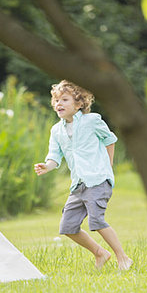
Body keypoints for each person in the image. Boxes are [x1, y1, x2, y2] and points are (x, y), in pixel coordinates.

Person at [34, 80, 133, 271]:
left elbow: (110, 139)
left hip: (97, 180)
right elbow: (55, 155)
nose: (58, 104)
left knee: (96, 221)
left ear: (79, 104)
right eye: (56, 100)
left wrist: (108, 167)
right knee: (68, 226)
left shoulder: (92, 120)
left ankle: (123, 258)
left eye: (64, 99)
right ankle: (100, 253)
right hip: (78, 184)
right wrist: (47, 166)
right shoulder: (56, 130)